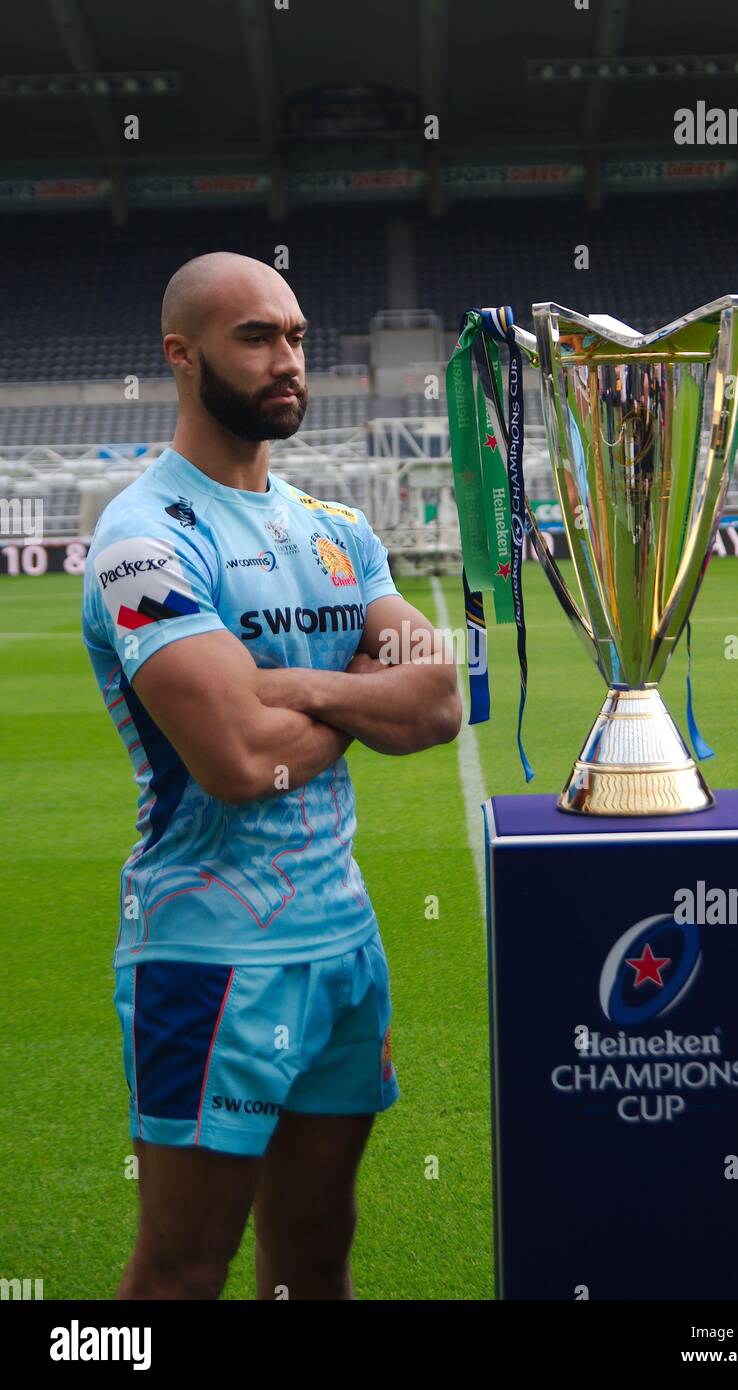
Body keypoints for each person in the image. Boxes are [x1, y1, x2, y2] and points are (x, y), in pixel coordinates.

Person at [81, 251, 462, 1300]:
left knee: (314, 1253)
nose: (286, 359)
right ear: (181, 353)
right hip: (209, 958)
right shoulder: (144, 542)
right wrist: (348, 690)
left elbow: (436, 699)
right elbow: (241, 763)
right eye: (255, 337)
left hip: (344, 949)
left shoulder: (337, 533)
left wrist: (293, 685)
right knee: (182, 1265)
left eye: (294, 336)